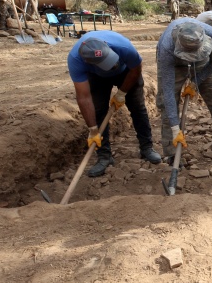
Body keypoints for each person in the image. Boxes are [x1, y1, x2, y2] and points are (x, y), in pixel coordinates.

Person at [67, 30, 162, 177]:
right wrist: (93, 130)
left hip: (127, 72)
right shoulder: (76, 60)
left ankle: (147, 147)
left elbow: (136, 69)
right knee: (98, 112)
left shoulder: (124, 47)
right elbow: (83, 97)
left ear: (107, 46)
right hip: (97, 77)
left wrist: (122, 93)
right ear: (88, 62)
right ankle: (104, 156)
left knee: (138, 108)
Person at [156, 18, 212, 163]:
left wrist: (196, 82)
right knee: (166, 103)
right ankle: (172, 153)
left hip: (202, 61)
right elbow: (169, 92)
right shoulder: (166, 49)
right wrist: (176, 129)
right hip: (174, 62)